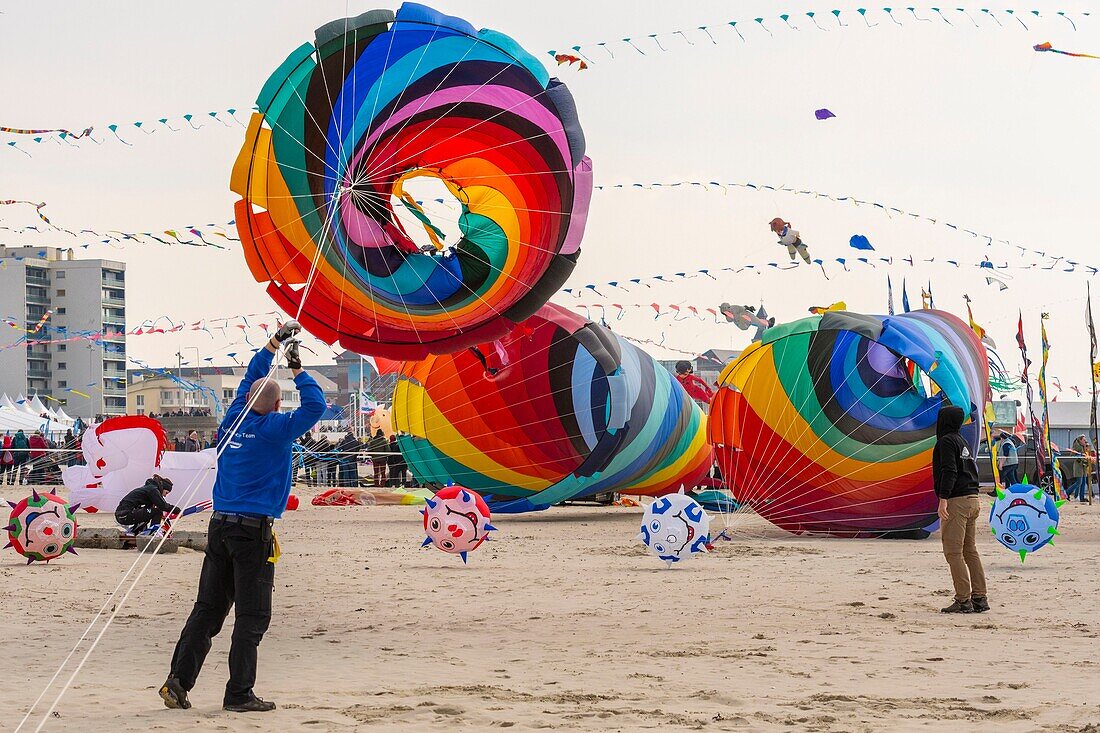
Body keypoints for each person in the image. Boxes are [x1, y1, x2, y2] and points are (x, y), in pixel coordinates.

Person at [162, 320, 324, 713]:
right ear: (278, 405)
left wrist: (274, 344)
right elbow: (316, 407)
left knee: (208, 610)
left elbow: (253, 376)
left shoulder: (233, 417)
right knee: (252, 617)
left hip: (219, 528)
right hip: (251, 533)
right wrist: (298, 367)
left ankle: (178, 682)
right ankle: (238, 694)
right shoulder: (275, 428)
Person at [933, 405, 988, 614]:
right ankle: (980, 598)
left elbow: (949, 470)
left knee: (953, 552)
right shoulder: (963, 441)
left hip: (957, 501)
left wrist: (943, 499)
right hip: (973, 499)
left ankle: (963, 599)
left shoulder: (946, 442)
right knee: (970, 550)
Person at [115, 475, 182, 534]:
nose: (165, 495)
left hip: (121, 515)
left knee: (149, 512)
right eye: (166, 493)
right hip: (125, 514)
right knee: (157, 512)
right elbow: (163, 506)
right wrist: (178, 511)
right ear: (163, 488)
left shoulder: (149, 488)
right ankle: (153, 534)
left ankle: (138, 531)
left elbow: (157, 507)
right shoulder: (152, 490)